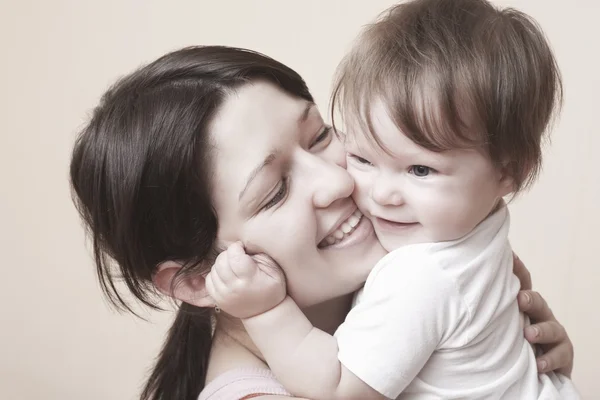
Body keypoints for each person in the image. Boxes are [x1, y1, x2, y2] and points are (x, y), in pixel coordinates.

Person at [69, 45, 575, 400]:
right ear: (199, 279)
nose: (337, 183)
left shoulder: (427, 281)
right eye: (274, 193)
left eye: (319, 138)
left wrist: (515, 369)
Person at [206, 0, 580, 399]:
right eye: (363, 158)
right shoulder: (478, 223)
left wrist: (266, 311)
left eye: (420, 170)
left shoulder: (420, 276)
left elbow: (335, 389)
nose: (377, 193)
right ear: (194, 278)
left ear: (507, 173)